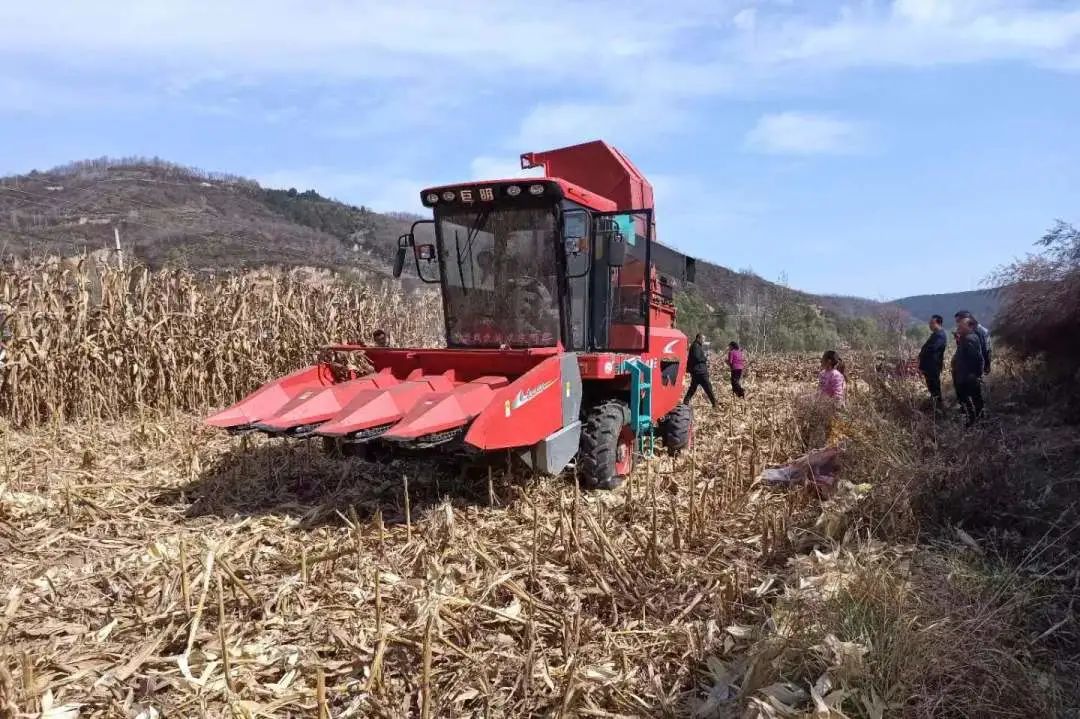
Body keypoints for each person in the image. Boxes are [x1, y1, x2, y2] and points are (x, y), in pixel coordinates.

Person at [952, 317, 985, 426]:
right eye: (958, 326)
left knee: (972, 400)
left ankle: (976, 422)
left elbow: (977, 358)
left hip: (968, 377)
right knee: (970, 399)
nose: (958, 328)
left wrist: (975, 375)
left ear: (970, 326)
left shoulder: (970, 338)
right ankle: (975, 421)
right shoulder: (965, 338)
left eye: (961, 326)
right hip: (964, 376)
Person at [918, 315, 947, 405]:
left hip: (933, 366)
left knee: (935, 388)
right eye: (929, 323)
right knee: (931, 387)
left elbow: (932, 348)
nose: (930, 325)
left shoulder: (940, 335)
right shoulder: (935, 334)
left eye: (932, 323)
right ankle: (934, 405)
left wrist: (923, 353)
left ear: (938, 323)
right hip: (929, 367)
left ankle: (938, 408)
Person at [684, 333, 717, 408]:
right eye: (703, 339)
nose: (704, 341)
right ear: (698, 338)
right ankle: (715, 404)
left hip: (697, 371)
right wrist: (705, 358)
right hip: (700, 371)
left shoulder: (696, 346)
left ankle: (685, 401)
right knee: (708, 387)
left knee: (693, 388)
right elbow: (697, 357)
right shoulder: (695, 346)